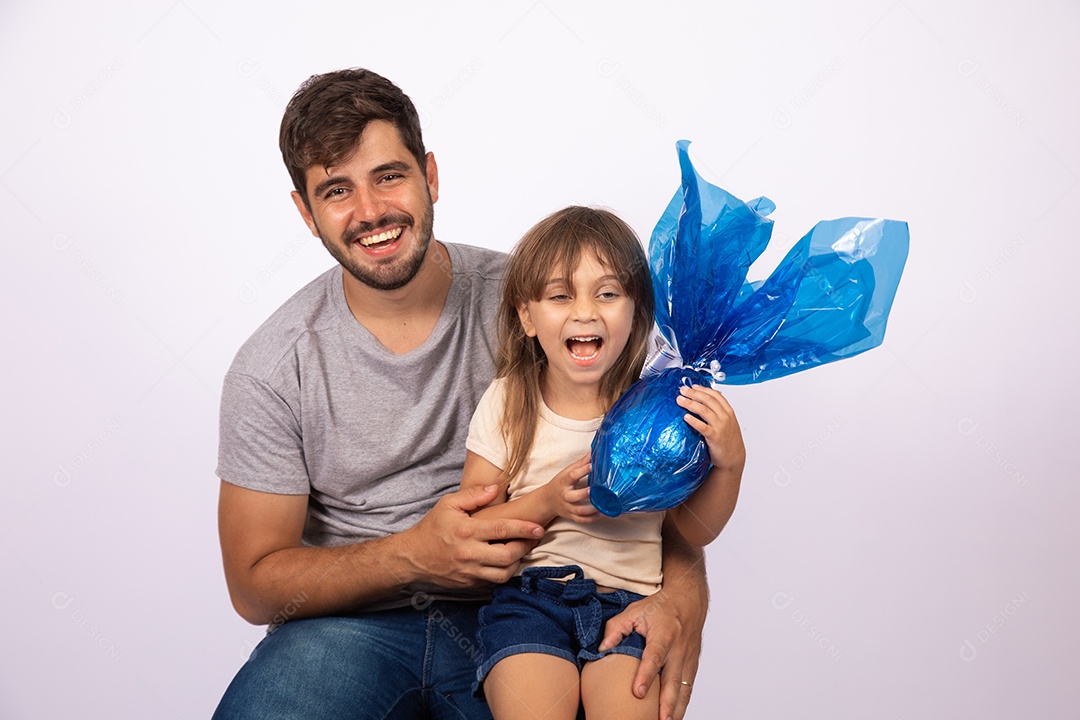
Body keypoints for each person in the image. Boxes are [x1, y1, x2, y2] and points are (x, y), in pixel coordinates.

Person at [213, 67, 709, 720]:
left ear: (430, 176)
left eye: (388, 175)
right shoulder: (274, 366)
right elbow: (254, 585)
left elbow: (648, 469)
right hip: (346, 628)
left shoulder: (546, 306)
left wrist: (682, 600)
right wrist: (412, 555)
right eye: (336, 190)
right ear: (306, 213)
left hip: (535, 607)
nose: (370, 211)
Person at [460, 207, 745, 719]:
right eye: (560, 295)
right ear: (526, 315)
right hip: (530, 603)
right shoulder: (507, 402)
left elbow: (692, 531)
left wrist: (730, 464)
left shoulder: (660, 412)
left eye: (608, 293)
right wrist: (548, 500)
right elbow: (475, 532)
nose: (585, 312)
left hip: (630, 608)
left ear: (637, 309)